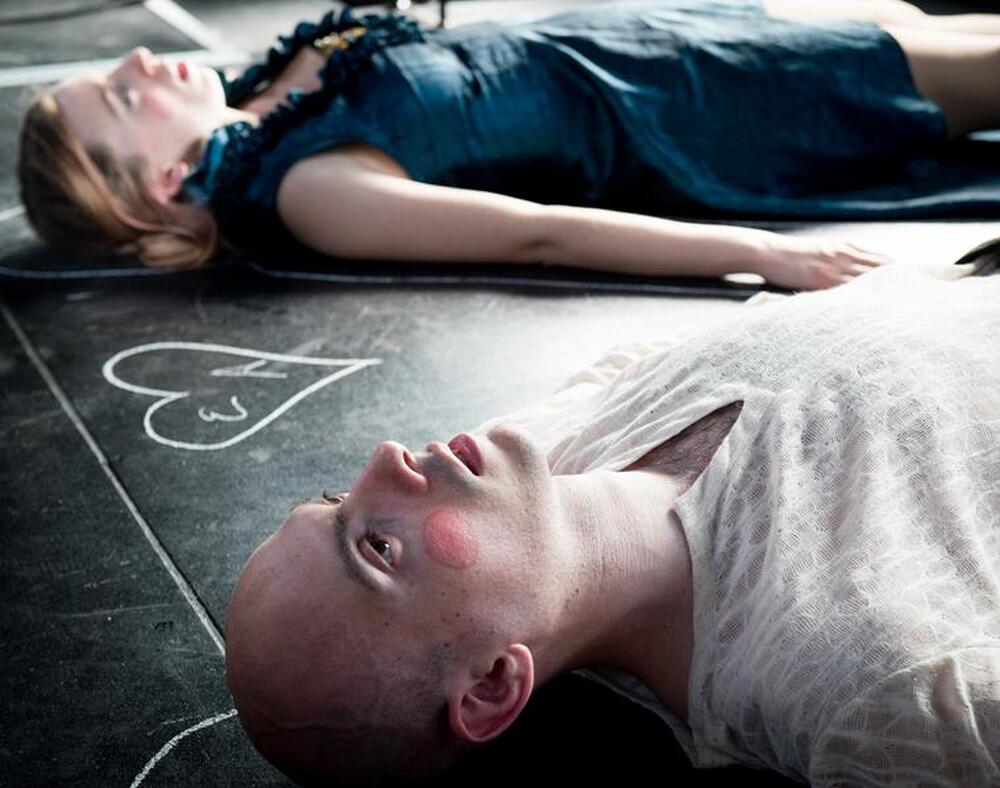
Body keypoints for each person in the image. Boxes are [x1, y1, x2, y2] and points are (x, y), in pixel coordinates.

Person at [225, 259, 1000, 787]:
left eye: (337, 496)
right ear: (492, 684)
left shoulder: (542, 448)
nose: (386, 459)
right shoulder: (870, 693)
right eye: (378, 546)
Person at [15, 0, 1000, 290]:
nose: (136, 59)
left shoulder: (263, 93)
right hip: (696, 106)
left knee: (938, 27)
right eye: (122, 96)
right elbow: (537, 232)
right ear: (167, 180)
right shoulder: (310, 190)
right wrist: (767, 254)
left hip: (649, 42)